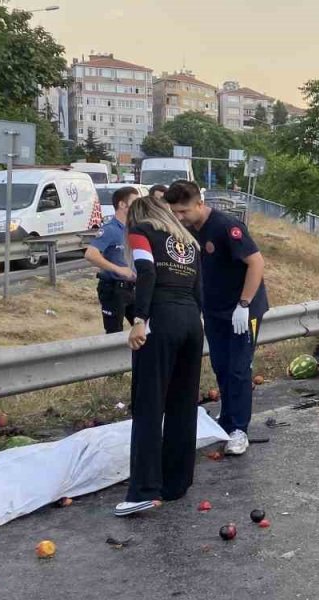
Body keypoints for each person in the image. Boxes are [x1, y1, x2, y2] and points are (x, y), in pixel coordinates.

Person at [166, 180, 269, 456]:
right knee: (221, 366)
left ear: (199, 203)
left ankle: (239, 429)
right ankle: (226, 420)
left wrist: (244, 304)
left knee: (238, 369)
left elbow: (255, 262)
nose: (180, 217)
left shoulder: (226, 227)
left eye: (184, 211)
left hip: (242, 310)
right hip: (214, 310)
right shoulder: (187, 231)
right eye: (175, 212)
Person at [116, 197, 205, 517]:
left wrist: (139, 319)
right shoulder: (188, 241)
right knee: (183, 404)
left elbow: (146, 272)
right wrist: (196, 321)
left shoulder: (141, 232)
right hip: (192, 322)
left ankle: (143, 489)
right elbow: (199, 289)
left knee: (149, 405)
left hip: (161, 320)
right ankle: (176, 483)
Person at [84, 186, 139, 333]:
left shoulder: (135, 228)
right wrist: (118, 269)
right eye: (135, 202)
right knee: (114, 332)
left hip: (134, 289)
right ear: (122, 204)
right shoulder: (110, 229)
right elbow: (91, 254)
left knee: (146, 330)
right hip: (114, 289)